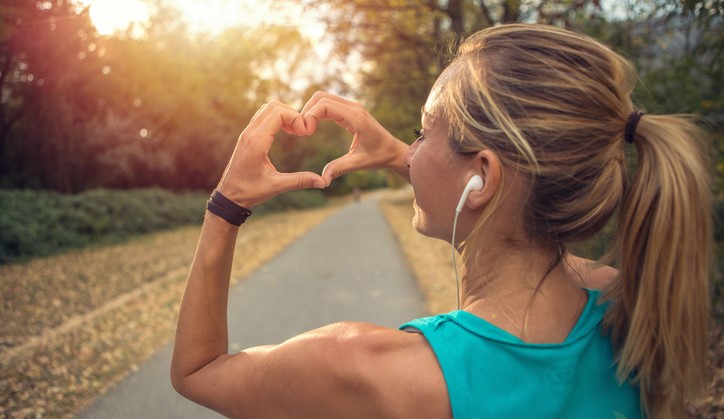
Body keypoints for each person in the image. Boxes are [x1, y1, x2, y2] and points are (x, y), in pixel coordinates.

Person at [170, 23, 712, 418]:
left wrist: (226, 203)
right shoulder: (627, 303)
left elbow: (199, 371)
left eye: (424, 130)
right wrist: (403, 156)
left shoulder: (371, 371)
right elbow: (498, 200)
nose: (412, 147)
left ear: (481, 177)